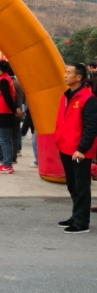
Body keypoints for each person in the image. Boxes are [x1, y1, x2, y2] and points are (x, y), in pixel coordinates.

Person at [54, 63, 97, 234]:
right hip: (66, 147)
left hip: (79, 151)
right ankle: (76, 216)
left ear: (79, 77)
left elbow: (91, 127)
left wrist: (82, 148)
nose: (65, 75)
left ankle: (82, 223)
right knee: (72, 184)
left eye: (68, 72)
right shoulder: (66, 95)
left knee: (81, 186)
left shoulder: (88, 98)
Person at [0, 60, 20, 174]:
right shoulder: (5, 78)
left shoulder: (3, 80)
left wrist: (14, 109)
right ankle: (6, 163)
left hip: (4, 112)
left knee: (4, 140)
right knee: (5, 140)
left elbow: (7, 97)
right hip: (3, 112)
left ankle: (7, 165)